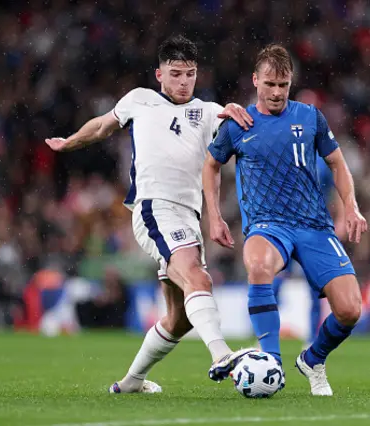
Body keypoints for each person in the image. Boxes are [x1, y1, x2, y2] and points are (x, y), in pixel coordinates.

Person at [45, 35, 255, 394]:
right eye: (175, 74)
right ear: (159, 74)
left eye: (189, 74)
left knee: (180, 318)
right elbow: (101, 126)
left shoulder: (208, 111)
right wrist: (70, 141)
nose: (183, 81)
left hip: (187, 216)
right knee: (199, 279)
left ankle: (130, 383)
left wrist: (241, 115)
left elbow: (232, 147)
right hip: (154, 207)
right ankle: (221, 355)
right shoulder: (140, 100)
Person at [203, 44, 368, 396]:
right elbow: (211, 165)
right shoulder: (238, 123)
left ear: (290, 82)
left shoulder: (310, 118)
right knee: (259, 266)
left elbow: (338, 163)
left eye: (283, 84)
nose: (276, 92)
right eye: (269, 84)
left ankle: (313, 358)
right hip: (267, 224)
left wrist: (350, 207)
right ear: (255, 81)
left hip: (313, 225)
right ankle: (272, 362)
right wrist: (214, 217)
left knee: (350, 309)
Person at [271, 156, 336, 347]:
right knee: (274, 281)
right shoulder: (284, 152)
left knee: (315, 286)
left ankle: (312, 339)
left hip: (314, 230)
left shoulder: (322, 159)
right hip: (285, 227)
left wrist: (338, 218)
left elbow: (333, 191)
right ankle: (267, 335)